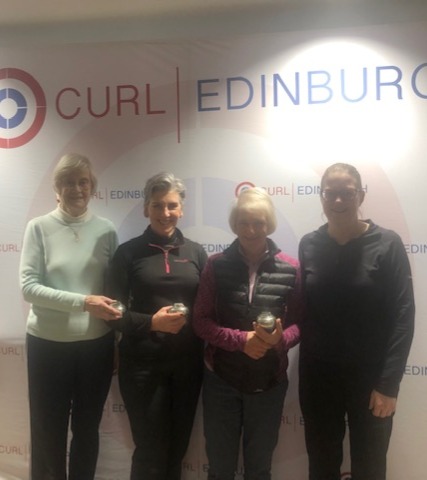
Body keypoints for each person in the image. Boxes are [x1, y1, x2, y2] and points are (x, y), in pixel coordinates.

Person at [298, 163, 415, 480]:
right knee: (321, 466)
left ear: (361, 195)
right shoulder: (309, 244)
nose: (338, 200)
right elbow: (302, 310)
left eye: (347, 193)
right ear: (321, 197)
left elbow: (404, 315)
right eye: (330, 193)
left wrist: (388, 384)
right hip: (319, 379)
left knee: (370, 468)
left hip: (371, 379)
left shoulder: (387, 243)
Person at [19, 153, 121, 480]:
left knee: (87, 430)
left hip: (96, 347)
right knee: (48, 430)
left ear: (92, 186)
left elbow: (114, 291)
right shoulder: (39, 228)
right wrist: (83, 302)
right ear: (57, 187)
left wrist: (117, 341)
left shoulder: (106, 231)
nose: (76, 189)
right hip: (47, 345)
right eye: (68, 182)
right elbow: (29, 288)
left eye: (83, 181)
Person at [193, 187, 301, 480]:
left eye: (258, 223)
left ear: (269, 224)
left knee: (259, 470)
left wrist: (280, 340)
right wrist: (241, 341)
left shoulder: (291, 268)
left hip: (269, 383)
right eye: (244, 222)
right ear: (234, 224)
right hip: (221, 381)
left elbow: (300, 323)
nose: (251, 230)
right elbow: (200, 321)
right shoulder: (215, 265)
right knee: (220, 470)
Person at [105, 172, 208, 480]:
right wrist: (152, 322)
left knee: (177, 450)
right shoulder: (128, 253)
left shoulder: (196, 253)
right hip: (142, 366)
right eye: (157, 205)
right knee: (150, 451)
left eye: (172, 205)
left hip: (187, 366)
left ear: (182, 209)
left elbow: (206, 310)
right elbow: (112, 313)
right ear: (145, 208)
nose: (165, 213)